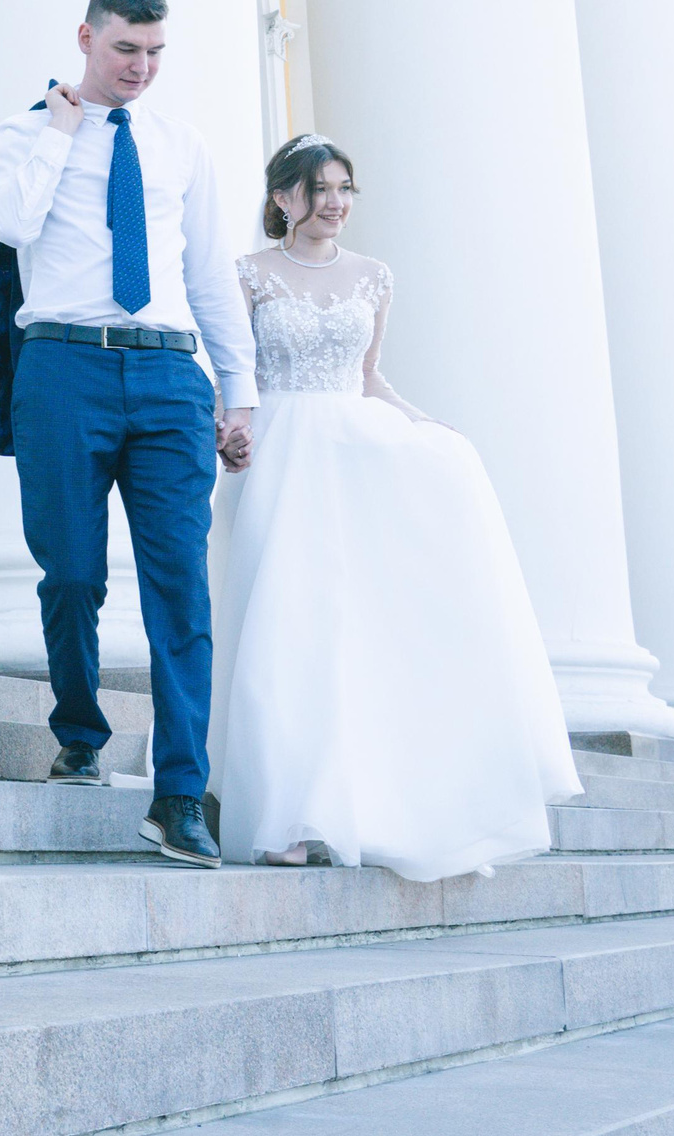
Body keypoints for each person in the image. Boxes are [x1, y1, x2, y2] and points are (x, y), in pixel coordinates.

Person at [209, 134, 581, 880]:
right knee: (280, 627)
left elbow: (369, 376)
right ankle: (279, 812)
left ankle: (347, 806)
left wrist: (426, 426)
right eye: (319, 188)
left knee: (344, 632)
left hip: (351, 459)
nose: (335, 202)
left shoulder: (374, 275)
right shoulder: (249, 274)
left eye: (344, 188)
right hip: (277, 457)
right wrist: (230, 428)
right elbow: (232, 371)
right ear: (282, 197)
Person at [0, 0, 255, 868]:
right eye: (125, 49)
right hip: (63, 366)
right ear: (86, 38)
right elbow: (11, 225)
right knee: (70, 572)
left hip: (170, 372)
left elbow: (208, 272)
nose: (141, 67)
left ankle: (179, 794)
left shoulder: (181, 146)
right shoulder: (26, 132)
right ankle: (79, 732)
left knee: (182, 586)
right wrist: (61, 135)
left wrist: (238, 389)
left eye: (155, 51)